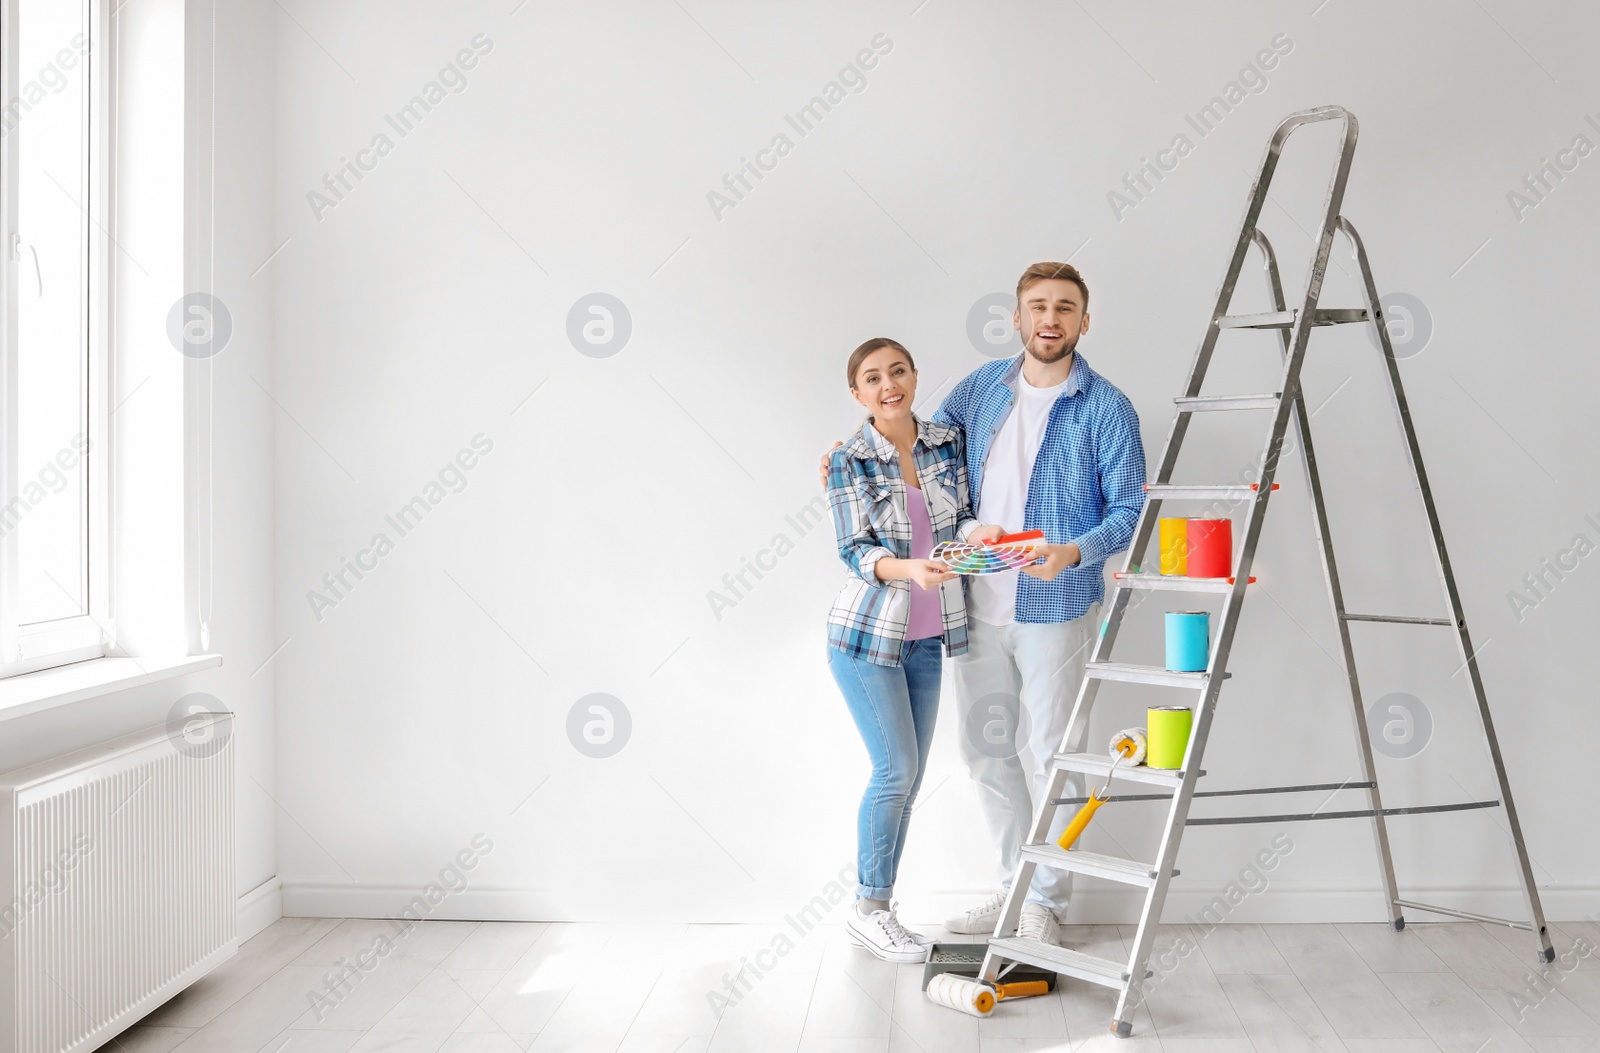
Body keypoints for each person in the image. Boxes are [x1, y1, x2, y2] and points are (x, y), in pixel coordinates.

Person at [820, 263, 1145, 947]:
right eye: (1037, 307)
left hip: (1056, 602)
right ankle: (1010, 890)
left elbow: (1128, 509)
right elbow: (917, 444)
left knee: (1051, 752)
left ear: (1084, 321)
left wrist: (1074, 551)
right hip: (971, 605)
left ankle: (1044, 905)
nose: (1049, 319)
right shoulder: (979, 390)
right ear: (1019, 318)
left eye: (1064, 307)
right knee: (986, 753)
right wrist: (847, 453)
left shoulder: (1107, 406)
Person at [824, 337, 1001, 964]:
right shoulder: (848, 458)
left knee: (909, 775)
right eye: (872, 378)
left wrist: (988, 535)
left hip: (927, 639)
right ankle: (869, 910)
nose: (888, 384)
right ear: (858, 394)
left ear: (915, 376)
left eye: (897, 371)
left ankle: (880, 907)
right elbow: (855, 551)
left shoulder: (945, 442)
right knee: (893, 770)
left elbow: (966, 518)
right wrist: (911, 569)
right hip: (868, 637)